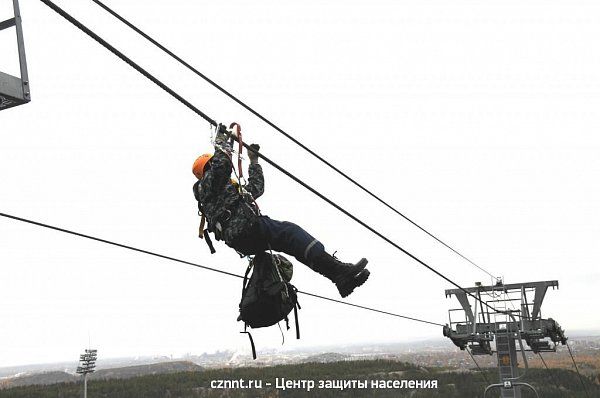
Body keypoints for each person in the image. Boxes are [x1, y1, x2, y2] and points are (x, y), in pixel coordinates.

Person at [192, 124, 370, 297]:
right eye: (212, 164)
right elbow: (222, 165)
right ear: (207, 169)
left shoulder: (224, 190)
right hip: (246, 228)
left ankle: (338, 276)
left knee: (292, 241)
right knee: (291, 233)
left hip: (245, 234)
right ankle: (338, 271)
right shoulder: (204, 188)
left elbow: (256, 188)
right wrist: (222, 142)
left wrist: (254, 161)